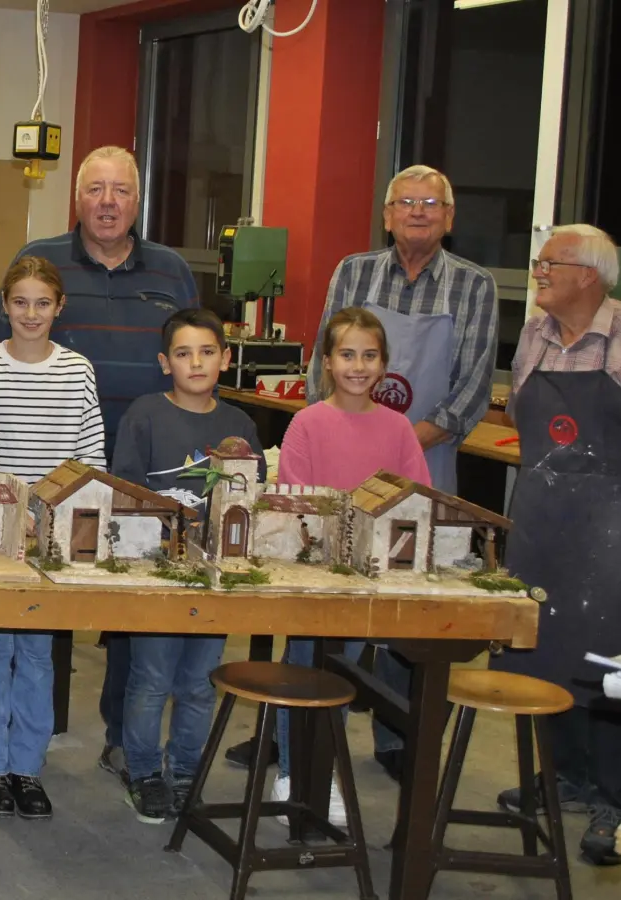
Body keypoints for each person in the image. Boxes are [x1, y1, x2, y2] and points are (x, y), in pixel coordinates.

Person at [240, 164, 498, 777]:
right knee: (320, 614)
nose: (417, 212)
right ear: (386, 214)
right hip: (336, 453)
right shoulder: (355, 272)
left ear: (449, 218)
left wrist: (397, 438)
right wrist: (328, 428)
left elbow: (472, 388)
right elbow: (318, 367)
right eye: (405, 202)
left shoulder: (474, 286)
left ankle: (396, 737)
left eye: (431, 203)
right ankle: (292, 738)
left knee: (405, 610)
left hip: (419, 457)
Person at [0, 146, 198, 778]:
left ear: (137, 200)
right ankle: (31, 736)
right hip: (52, 459)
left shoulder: (171, 269)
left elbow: (187, 346)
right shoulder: (41, 261)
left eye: (121, 191)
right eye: (96, 189)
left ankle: (122, 735)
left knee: (131, 607)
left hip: (151, 454)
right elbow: (0, 349)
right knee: (44, 605)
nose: (108, 202)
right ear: (77, 199)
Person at [492, 225, 621, 866]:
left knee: (613, 660)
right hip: (542, 520)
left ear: (589, 275)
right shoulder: (535, 334)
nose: (538, 273)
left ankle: (614, 797)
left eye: (549, 263)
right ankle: (563, 779)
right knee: (546, 649)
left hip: (619, 526)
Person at [0, 256, 105, 820]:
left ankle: (27, 770)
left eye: (43, 303)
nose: (31, 313)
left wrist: (56, 515)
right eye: (20, 302)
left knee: (39, 657)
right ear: (4, 305)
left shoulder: (77, 371)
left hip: (53, 537)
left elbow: (89, 456)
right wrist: (10, 508)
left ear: (59, 307)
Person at [272, 307, 430, 827]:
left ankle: (327, 771)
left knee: (340, 683)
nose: (357, 366)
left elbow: (415, 500)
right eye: (346, 355)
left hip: (372, 579)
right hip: (315, 577)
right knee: (303, 671)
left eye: (369, 355)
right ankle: (294, 773)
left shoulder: (399, 428)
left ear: (384, 365)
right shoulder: (307, 422)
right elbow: (297, 502)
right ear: (327, 362)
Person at [112, 308, 264, 824]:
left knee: (199, 683)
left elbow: (251, 497)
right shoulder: (144, 414)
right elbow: (125, 491)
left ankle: (184, 773)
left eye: (206, 352)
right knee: (151, 678)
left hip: (216, 578)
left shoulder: (239, 425)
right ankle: (145, 772)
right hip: (157, 575)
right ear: (164, 362)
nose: (195, 363)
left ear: (225, 358)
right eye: (182, 353)